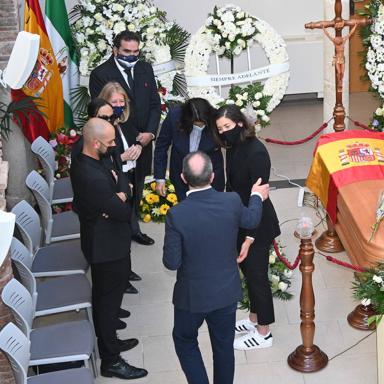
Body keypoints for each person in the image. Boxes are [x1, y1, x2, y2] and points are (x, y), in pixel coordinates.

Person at [163, 151, 269, 384]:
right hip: (225, 292)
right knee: (223, 347)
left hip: (192, 297)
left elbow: (171, 262)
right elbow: (251, 220)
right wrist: (256, 196)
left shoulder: (176, 215)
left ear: (182, 177)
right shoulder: (230, 201)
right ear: (212, 176)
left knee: (184, 340)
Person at [70, 117, 148, 380]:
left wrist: (119, 191)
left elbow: (122, 179)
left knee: (108, 300)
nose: (115, 146)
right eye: (110, 142)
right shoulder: (91, 176)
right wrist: (121, 197)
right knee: (107, 303)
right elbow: (124, 210)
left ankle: (110, 341)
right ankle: (111, 360)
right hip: (106, 247)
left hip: (108, 239)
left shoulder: (91, 157)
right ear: (94, 143)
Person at [213, 105, 281, 350]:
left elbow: (258, 197)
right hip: (240, 218)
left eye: (228, 127)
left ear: (240, 124)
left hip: (258, 224)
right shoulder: (234, 147)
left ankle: (264, 332)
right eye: (220, 129)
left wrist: (249, 237)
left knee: (257, 277)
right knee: (250, 275)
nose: (223, 133)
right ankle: (254, 319)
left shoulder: (257, 153)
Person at [89, 30, 160, 246]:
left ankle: (133, 227)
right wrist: (133, 140)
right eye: (126, 51)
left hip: (145, 140)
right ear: (115, 50)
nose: (132, 56)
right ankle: (122, 232)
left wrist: (148, 134)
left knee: (138, 184)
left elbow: (155, 104)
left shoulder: (145, 68)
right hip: (119, 142)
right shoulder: (101, 74)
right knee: (120, 186)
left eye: (136, 51)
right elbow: (103, 111)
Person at [98, 81, 145, 294]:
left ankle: (127, 270)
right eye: (113, 102)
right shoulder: (101, 129)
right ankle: (121, 277)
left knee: (127, 228)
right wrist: (123, 157)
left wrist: (137, 148)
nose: (118, 105)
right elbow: (102, 160)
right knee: (120, 232)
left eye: (121, 101)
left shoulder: (123, 123)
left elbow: (131, 143)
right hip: (116, 183)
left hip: (130, 177)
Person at [154, 98, 225, 202]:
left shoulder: (216, 117)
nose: (200, 127)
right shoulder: (175, 116)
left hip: (211, 176)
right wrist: (160, 178)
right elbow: (161, 146)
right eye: (196, 124)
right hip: (180, 174)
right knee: (185, 211)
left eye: (203, 124)